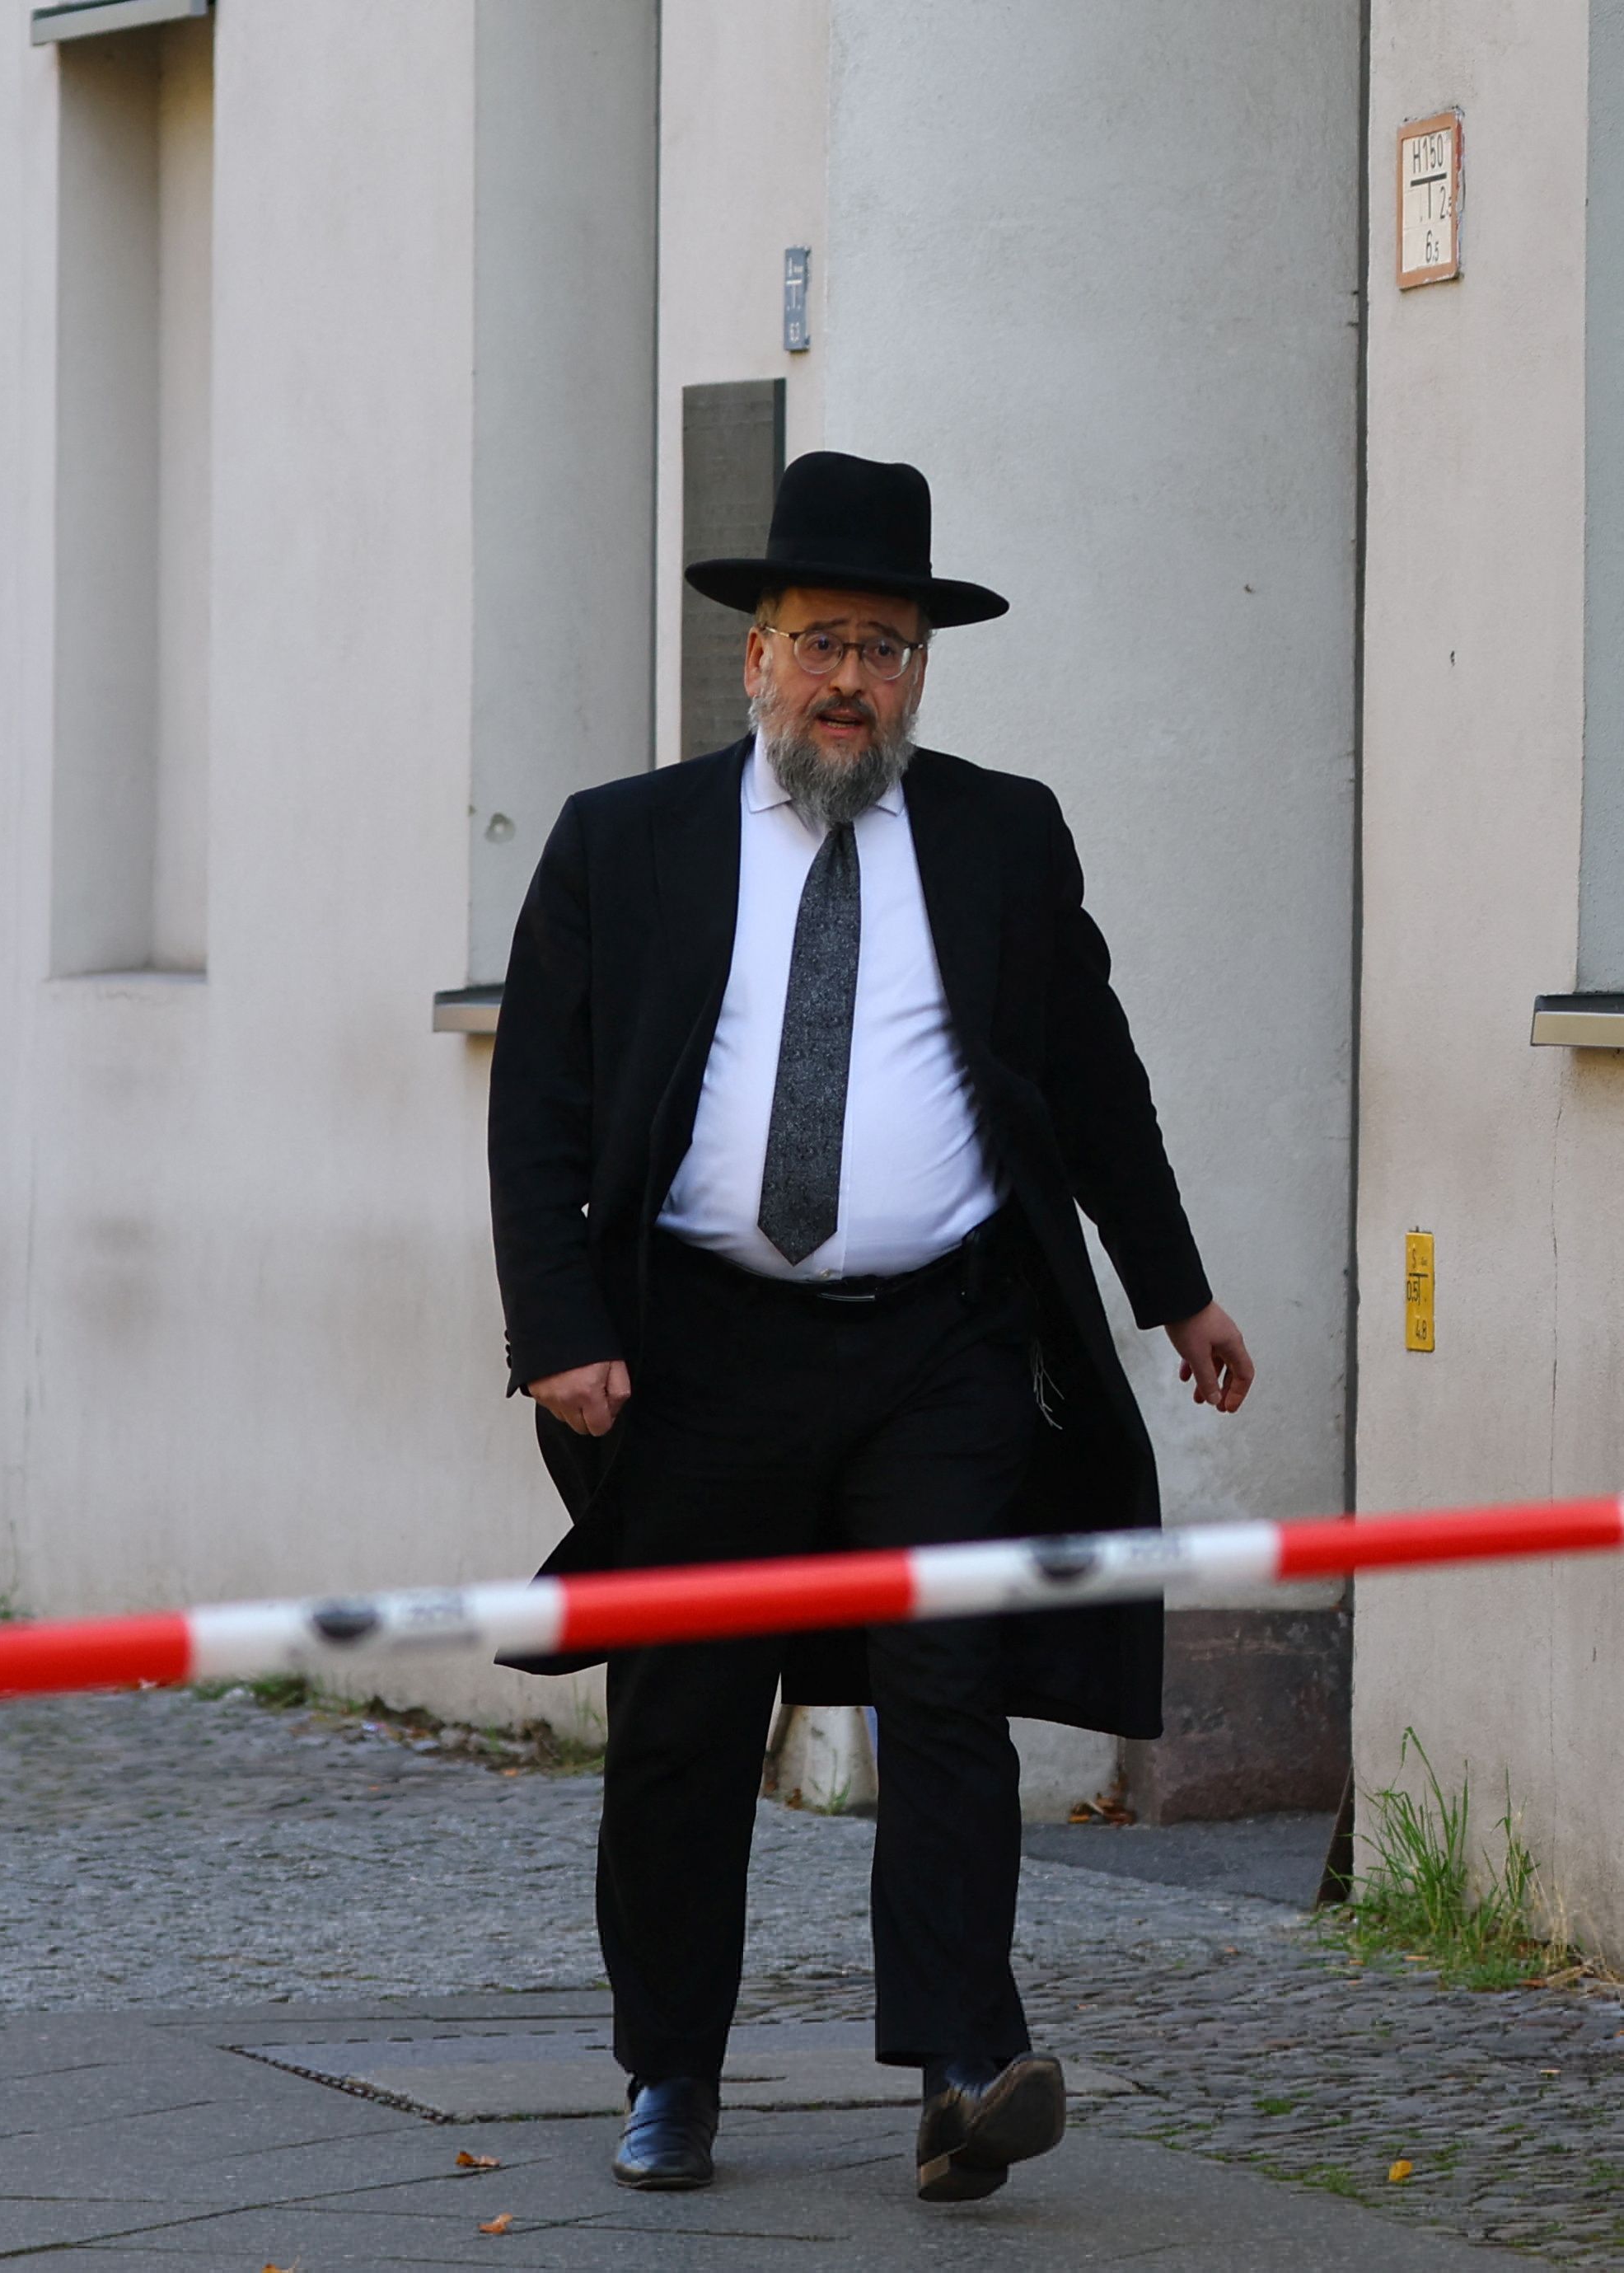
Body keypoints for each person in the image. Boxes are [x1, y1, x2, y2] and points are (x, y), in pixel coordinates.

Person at [487, 452, 1254, 2205]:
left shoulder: (1001, 833)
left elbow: (1091, 1081)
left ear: (921, 669)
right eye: (825, 639)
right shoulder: (625, 841)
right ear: (753, 656)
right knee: (685, 1712)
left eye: (890, 647)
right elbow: (540, 1106)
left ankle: (965, 2061)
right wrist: (560, 1326)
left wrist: (1175, 1284)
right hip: (700, 1349)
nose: (856, 678)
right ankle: (671, 2067)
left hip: (942, 1343)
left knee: (950, 1689)